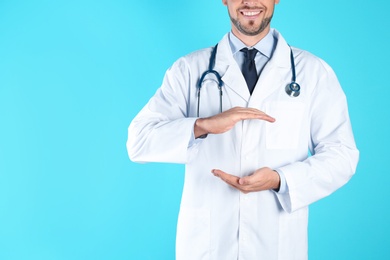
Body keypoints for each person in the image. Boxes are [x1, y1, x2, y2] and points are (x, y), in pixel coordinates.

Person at [127, 0, 359, 259]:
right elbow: (138, 141)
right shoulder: (189, 69)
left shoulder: (313, 73)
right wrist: (202, 125)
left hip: (277, 245)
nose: (250, 2)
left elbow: (342, 156)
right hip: (208, 245)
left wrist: (281, 179)